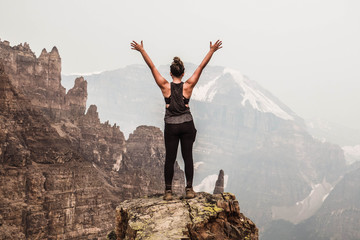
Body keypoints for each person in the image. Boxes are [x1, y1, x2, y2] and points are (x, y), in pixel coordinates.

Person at [131, 40, 222, 200]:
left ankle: (168, 192)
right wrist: (212, 51)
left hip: (171, 126)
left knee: (170, 159)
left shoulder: (165, 86)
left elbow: (152, 67)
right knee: (188, 157)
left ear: (171, 73)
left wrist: (142, 51)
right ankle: (189, 190)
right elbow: (201, 67)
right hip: (187, 125)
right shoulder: (188, 86)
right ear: (183, 73)